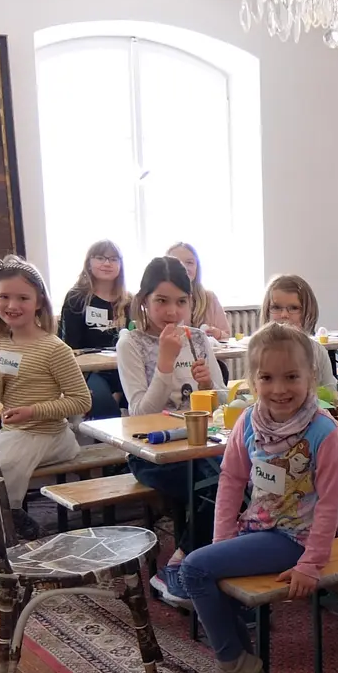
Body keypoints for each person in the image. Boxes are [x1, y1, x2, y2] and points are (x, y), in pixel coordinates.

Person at [181, 323, 338, 673]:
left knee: (193, 569)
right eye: (267, 378)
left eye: (292, 377)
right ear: (253, 379)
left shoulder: (325, 432)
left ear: (311, 376)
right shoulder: (250, 421)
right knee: (213, 576)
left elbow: (330, 503)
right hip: (257, 527)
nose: (279, 389)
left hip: (295, 539)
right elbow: (231, 479)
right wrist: (223, 539)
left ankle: (232, 663)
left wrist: (311, 563)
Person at [0, 256, 92, 607]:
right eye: (4, 297)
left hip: (47, 435)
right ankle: (26, 540)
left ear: (39, 301)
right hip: (16, 434)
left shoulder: (52, 348)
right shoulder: (0, 342)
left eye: (23, 298)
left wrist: (34, 410)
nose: (13, 305)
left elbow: (80, 400)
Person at [118, 256, 228, 606]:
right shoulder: (131, 343)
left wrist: (209, 383)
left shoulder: (198, 338)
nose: (171, 311)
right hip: (151, 451)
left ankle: (184, 560)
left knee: (234, 479)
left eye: (181, 301)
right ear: (144, 302)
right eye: (161, 301)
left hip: (201, 442)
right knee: (218, 485)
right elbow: (139, 415)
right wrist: (164, 365)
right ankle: (185, 565)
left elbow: (223, 401)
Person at [58, 239, 129, 419]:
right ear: (89, 263)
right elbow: (69, 346)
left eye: (113, 259)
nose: (107, 263)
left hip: (124, 367)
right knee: (102, 402)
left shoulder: (129, 300)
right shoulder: (76, 298)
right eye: (100, 258)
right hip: (89, 370)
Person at [260, 274, 337, 389]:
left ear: (307, 312)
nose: (284, 315)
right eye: (276, 307)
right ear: (267, 311)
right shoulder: (259, 352)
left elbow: (331, 394)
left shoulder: (317, 352)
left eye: (294, 308)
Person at [165, 242, 232, 338]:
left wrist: (217, 334)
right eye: (177, 263)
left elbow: (227, 336)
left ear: (197, 267)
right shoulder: (160, 301)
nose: (184, 267)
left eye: (190, 262)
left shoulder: (209, 298)